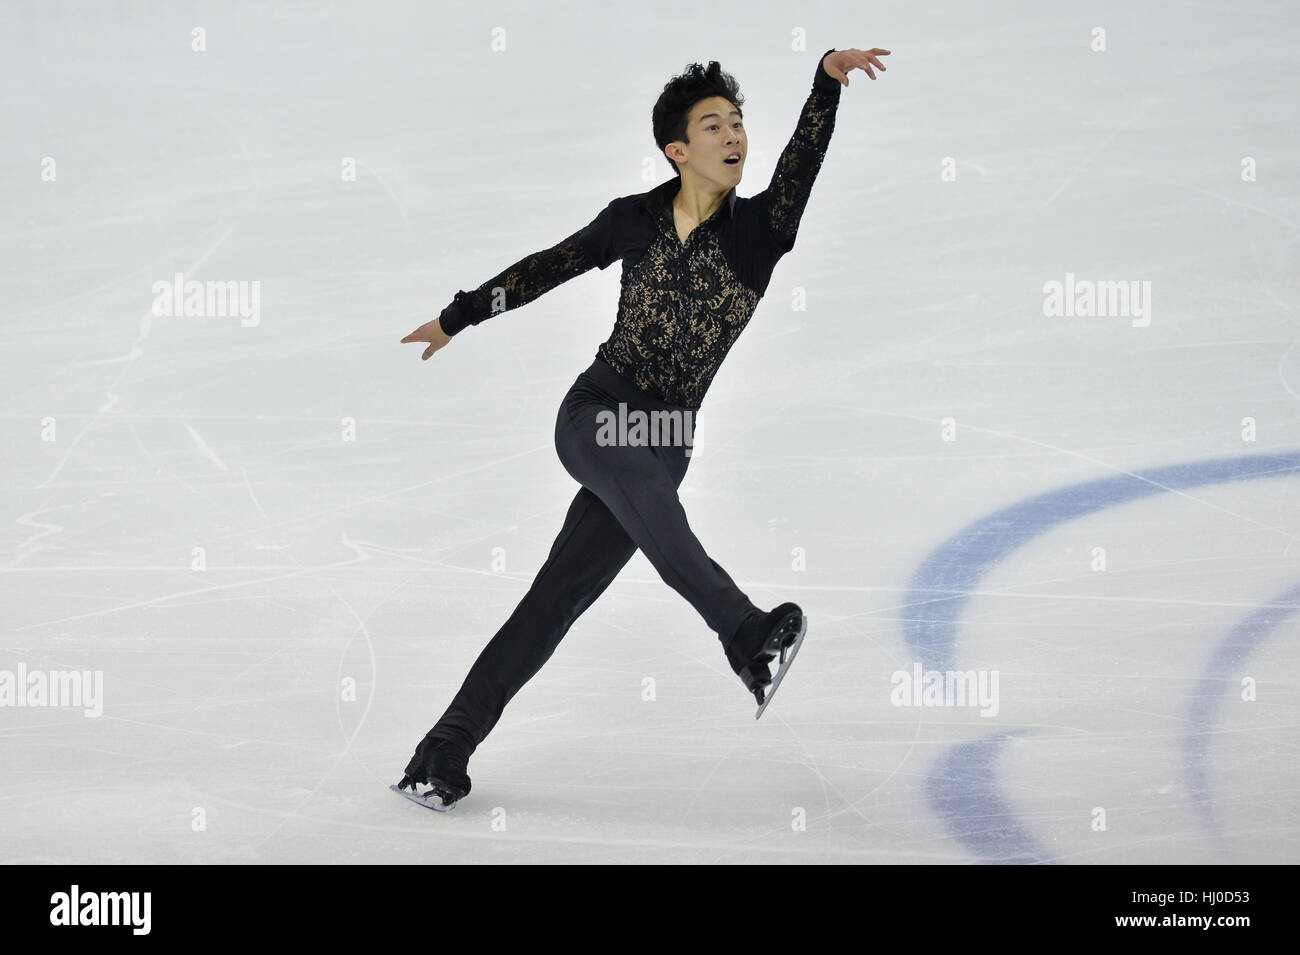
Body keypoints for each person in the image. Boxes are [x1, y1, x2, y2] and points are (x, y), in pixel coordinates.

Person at [397, 46, 891, 808]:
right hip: (597, 412)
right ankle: (746, 634)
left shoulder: (760, 232)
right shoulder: (635, 219)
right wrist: (459, 316)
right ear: (677, 148)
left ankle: (441, 752)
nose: (733, 137)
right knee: (644, 510)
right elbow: (550, 265)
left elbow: (803, 158)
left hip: (665, 443)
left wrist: (826, 80)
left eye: (737, 123)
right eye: (713, 125)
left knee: (552, 602)